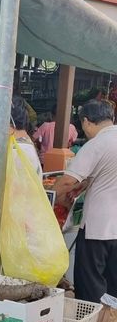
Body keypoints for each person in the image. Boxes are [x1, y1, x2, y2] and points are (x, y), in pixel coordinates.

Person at [55, 100, 117, 303]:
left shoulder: (97, 144)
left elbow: (67, 182)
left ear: (87, 121)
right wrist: (86, 184)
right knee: (113, 284)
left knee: (90, 283)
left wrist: (53, 195)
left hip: (98, 228)